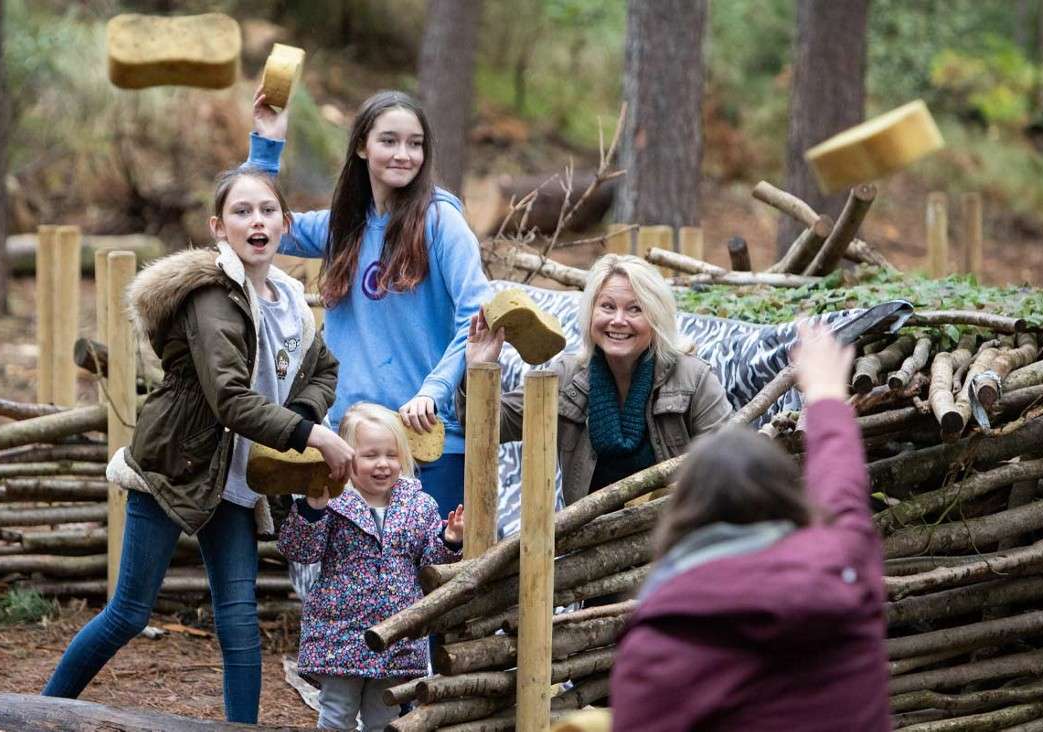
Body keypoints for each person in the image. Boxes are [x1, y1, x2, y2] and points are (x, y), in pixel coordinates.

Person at [41, 168, 355, 724]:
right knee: (130, 612)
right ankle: (43, 710)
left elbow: (323, 368)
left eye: (266, 210)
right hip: (174, 465)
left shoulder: (289, 302)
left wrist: (301, 413)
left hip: (235, 479)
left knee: (238, 620)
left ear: (285, 223)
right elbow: (230, 400)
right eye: (241, 212)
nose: (255, 221)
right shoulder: (211, 299)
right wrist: (312, 434)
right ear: (218, 227)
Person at [609, 323, 890, 731]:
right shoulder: (844, 574)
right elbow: (841, 490)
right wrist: (826, 395)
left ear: (682, 514)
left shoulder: (657, 643)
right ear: (786, 499)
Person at [248, 89, 492, 518]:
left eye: (415, 144)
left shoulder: (441, 221)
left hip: (426, 439)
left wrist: (433, 392)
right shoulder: (345, 224)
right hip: (351, 440)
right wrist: (267, 144)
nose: (404, 154)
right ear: (362, 146)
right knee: (352, 576)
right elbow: (257, 224)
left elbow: (477, 315)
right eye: (389, 141)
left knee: (436, 578)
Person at [461, 254, 732, 505]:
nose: (618, 320)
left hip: (673, 539)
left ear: (656, 317)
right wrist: (479, 368)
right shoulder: (567, 376)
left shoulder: (694, 379)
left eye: (634, 309)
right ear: (591, 313)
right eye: (607, 307)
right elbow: (491, 426)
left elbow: (729, 464)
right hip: (589, 543)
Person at [277, 402, 464, 731]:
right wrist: (312, 511)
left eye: (391, 455)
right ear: (347, 457)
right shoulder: (333, 500)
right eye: (370, 455)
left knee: (384, 719)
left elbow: (430, 566)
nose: (383, 464)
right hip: (340, 635)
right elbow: (301, 551)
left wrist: (449, 540)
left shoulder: (418, 505)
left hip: (396, 636)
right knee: (337, 715)